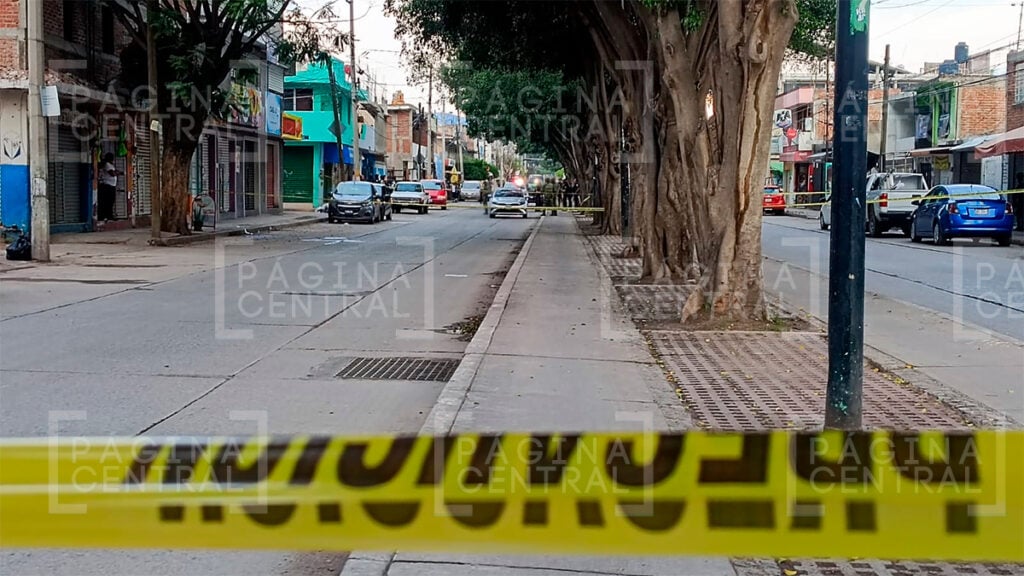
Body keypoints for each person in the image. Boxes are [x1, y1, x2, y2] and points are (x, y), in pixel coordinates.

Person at [98, 153, 121, 222]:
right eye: (112, 157)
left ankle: (109, 216)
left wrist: (116, 172)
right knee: (107, 202)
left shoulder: (110, 165)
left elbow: (115, 172)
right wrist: (117, 173)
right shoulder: (107, 164)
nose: (113, 159)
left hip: (111, 186)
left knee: (110, 202)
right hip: (107, 186)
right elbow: (112, 174)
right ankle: (105, 216)